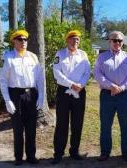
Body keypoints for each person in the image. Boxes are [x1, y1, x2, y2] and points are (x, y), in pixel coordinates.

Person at [0, 29, 44, 166]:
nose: (23, 42)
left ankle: (31, 156)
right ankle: (18, 157)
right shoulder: (7, 57)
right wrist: (7, 100)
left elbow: (40, 79)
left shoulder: (33, 57)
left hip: (31, 94)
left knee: (31, 128)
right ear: (14, 41)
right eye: (20, 39)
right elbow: (3, 80)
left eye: (25, 39)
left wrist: (41, 95)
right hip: (15, 95)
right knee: (18, 129)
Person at [94, 31, 127, 162]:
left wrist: (121, 87)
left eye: (120, 41)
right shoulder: (102, 57)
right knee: (106, 124)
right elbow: (97, 74)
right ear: (109, 42)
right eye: (115, 40)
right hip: (107, 94)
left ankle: (126, 152)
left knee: (126, 125)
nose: (117, 43)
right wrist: (111, 86)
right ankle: (105, 152)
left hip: (124, 95)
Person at [52, 30, 91, 164]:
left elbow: (87, 72)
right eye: (73, 39)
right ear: (67, 40)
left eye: (77, 40)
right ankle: (58, 153)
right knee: (62, 123)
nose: (75, 41)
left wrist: (80, 84)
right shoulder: (60, 54)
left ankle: (74, 151)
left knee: (77, 122)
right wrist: (71, 84)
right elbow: (57, 73)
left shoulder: (83, 54)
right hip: (64, 92)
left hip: (80, 91)